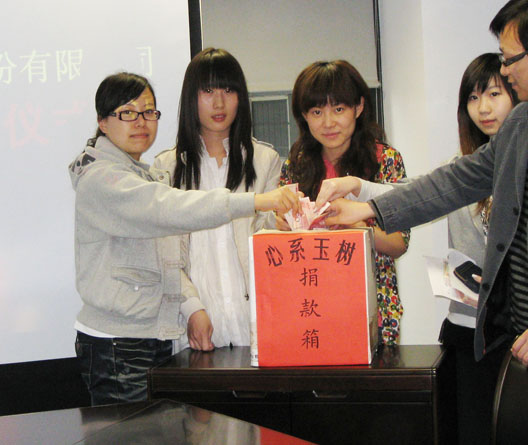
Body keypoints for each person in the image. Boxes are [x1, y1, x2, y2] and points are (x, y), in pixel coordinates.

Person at [317, 0, 528, 443]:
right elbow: (456, 180)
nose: (505, 69)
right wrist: (372, 207)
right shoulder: (521, 125)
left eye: (510, 58)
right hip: (522, 353)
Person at [69, 72, 299, 405]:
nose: (141, 122)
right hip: (118, 343)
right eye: (127, 112)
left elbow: (167, 255)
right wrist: (255, 201)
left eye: (148, 111)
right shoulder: (104, 178)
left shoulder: (142, 174)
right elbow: (168, 208)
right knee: (133, 431)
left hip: (150, 337)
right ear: (102, 122)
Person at [154, 48, 281, 352]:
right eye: (208, 91)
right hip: (195, 330)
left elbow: (271, 243)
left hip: (257, 325)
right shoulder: (167, 167)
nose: (219, 102)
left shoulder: (265, 160)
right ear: (191, 97)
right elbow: (165, 255)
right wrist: (192, 308)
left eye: (228, 90)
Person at [279, 60, 409, 345]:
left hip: (372, 308)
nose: (328, 123)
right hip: (311, 306)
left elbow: (399, 244)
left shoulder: (385, 160)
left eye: (338, 109)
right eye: (317, 112)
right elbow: (284, 246)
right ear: (304, 116)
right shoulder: (295, 165)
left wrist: (360, 228)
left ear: (359, 107)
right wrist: (283, 225)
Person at [439, 53, 518, 444]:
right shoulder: (461, 165)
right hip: (466, 329)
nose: (483, 108)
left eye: (494, 94)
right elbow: (415, 193)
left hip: (515, 333)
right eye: (473, 98)